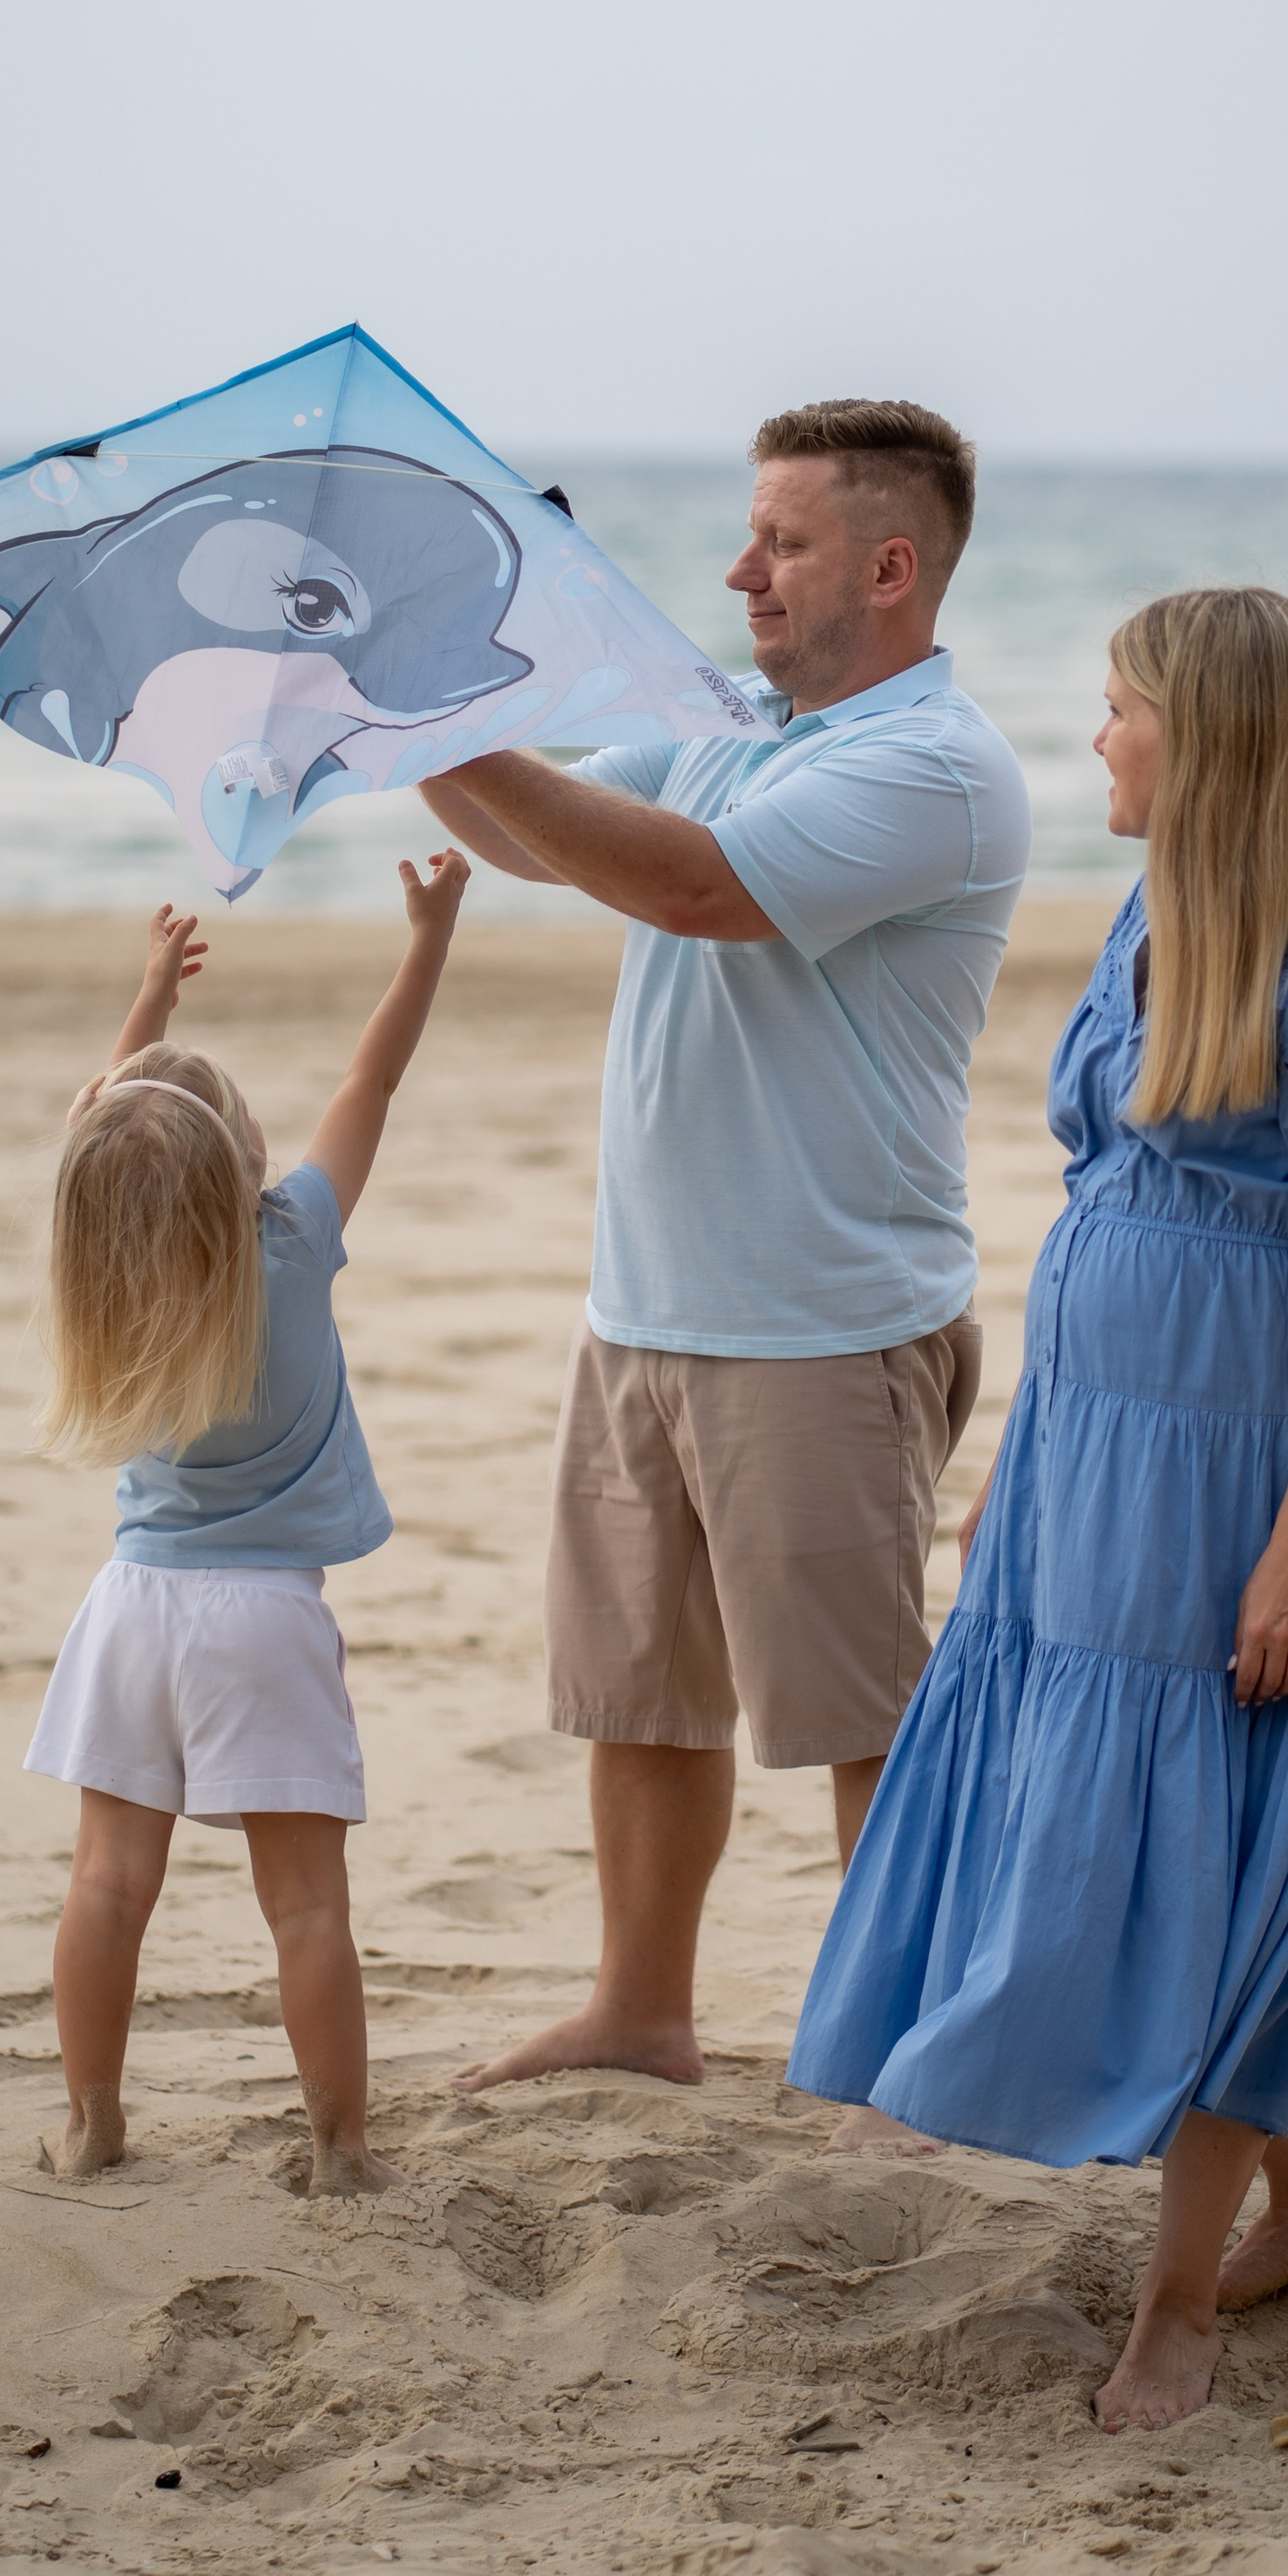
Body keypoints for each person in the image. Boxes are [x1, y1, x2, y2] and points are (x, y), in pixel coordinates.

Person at [787, 587, 1288, 2431]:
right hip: (1093, 1468)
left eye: (1116, 710)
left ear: (1210, 738)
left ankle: (1171, 2306)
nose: (1092, 739)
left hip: (1255, 1483)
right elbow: (1105, 1221)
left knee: (1236, 1872)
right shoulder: (1153, 918)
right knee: (1140, 1856)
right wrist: (1013, 1465)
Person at [416, 400, 1031, 2094]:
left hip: (823, 1324)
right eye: (748, 535)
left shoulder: (936, 768)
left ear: (888, 567)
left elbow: (690, 887)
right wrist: (422, 703)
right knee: (637, 1698)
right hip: (645, 1306)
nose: (739, 570)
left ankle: (906, 2054)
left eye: (782, 542)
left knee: (858, 1726)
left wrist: (426, 707)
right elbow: (532, 836)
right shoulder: (722, 719)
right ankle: (640, 2015)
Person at [22, 856, 468, 2188]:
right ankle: (340, 2148)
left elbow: (99, 1148)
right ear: (250, 1177)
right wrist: (428, 939)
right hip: (266, 1619)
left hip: (134, 1610)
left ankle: (95, 2124)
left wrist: (150, 995)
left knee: (107, 1887)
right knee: (307, 1906)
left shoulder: (106, 1287)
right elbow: (369, 1085)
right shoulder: (291, 1248)